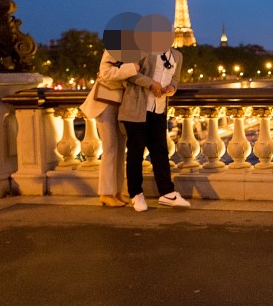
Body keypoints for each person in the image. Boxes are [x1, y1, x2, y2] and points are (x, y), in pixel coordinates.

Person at [119, 35, 190, 212]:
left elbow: (176, 78)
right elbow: (129, 74)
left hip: (158, 109)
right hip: (137, 109)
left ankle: (167, 193)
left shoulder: (177, 56)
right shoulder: (143, 51)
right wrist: (151, 84)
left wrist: (172, 88)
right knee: (136, 153)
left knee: (160, 151)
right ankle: (136, 194)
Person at [79, 51, 139, 207]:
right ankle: (106, 193)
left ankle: (117, 191)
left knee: (119, 150)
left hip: (120, 103)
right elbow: (106, 73)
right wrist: (132, 68)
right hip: (105, 102)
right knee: (110, 148)